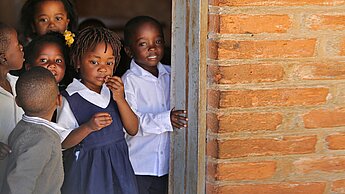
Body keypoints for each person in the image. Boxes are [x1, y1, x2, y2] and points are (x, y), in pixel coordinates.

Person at [57, 26, 139, 194]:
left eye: (109, 63)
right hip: (89, 174)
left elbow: (133, 129)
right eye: (94, 62)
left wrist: (121, 99)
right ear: (78, 61)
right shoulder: (70, 98)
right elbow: (62, 143)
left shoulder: (113, 93)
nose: (103, 68)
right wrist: (88, 127)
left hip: (119, 170)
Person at [122, 16, 188, 194]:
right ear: (129, 51)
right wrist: (167, 119)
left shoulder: (172, 74)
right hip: (138, 166)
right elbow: (131, 122)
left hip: (168, 166)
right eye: (143, 44)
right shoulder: (129, 82)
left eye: (158, 41)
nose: (152, 48)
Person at [1, 67, 64, 194]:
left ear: (17, 101)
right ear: (58, 100)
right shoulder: (43, 140)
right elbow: (19, 184)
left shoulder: (22, 126)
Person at [0, 22, 25, 191]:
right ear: (3, 58)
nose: (22, 47)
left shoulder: (19, 85)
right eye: (17, 45)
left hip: (21, 169)